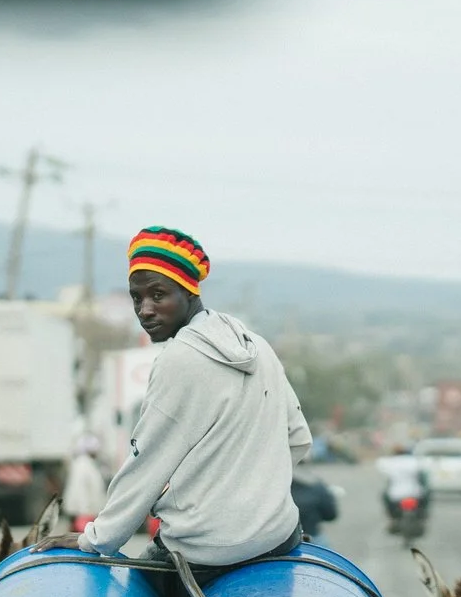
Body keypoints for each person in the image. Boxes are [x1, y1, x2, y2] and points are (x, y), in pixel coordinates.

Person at [77, 226, 311, 575]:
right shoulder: (256, 345)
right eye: (136, 298)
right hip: (280, 536)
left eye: (158, 295)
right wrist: (257, 499)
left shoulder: (178, 359)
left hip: (205, 553)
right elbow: (298, 439)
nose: (145, 310)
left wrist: (95, 540)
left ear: (189, 291)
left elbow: (147, 467)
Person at [62, 434, 107, 530]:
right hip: (82, 511)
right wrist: (85, 510)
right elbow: (81, 489)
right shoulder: (82, 464)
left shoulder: (88, 463)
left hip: (85, 510)